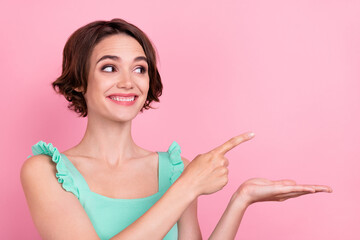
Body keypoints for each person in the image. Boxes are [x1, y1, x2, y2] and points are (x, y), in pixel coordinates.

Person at [20, 18, 332, 240]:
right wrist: (188, 185)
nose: (128, 82)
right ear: (78, 81)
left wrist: (241, 199)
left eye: (139, 68)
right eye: (109, 67)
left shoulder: (175, 169)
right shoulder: (45, 171)